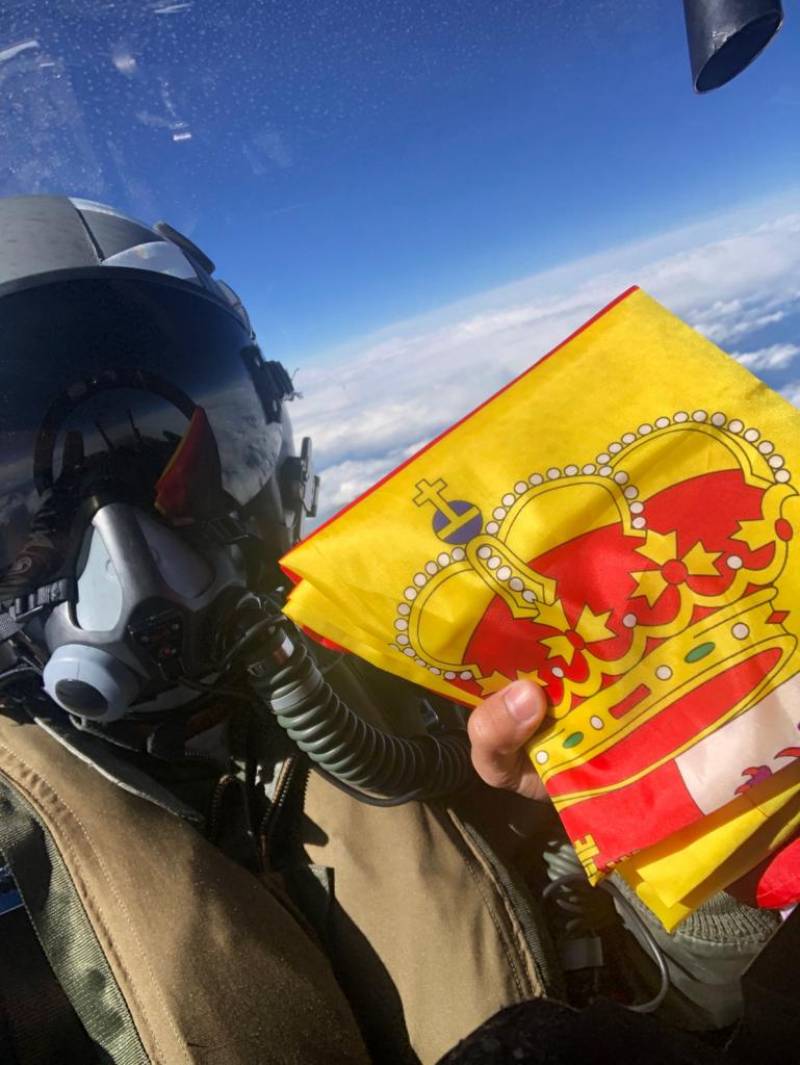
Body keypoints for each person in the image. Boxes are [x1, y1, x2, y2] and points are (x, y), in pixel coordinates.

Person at [0, 195, 781, 1065]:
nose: (132, 554)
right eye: (27, 514)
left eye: (178, 460)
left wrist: (708, 858)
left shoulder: (470, 689)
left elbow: (685, 997)